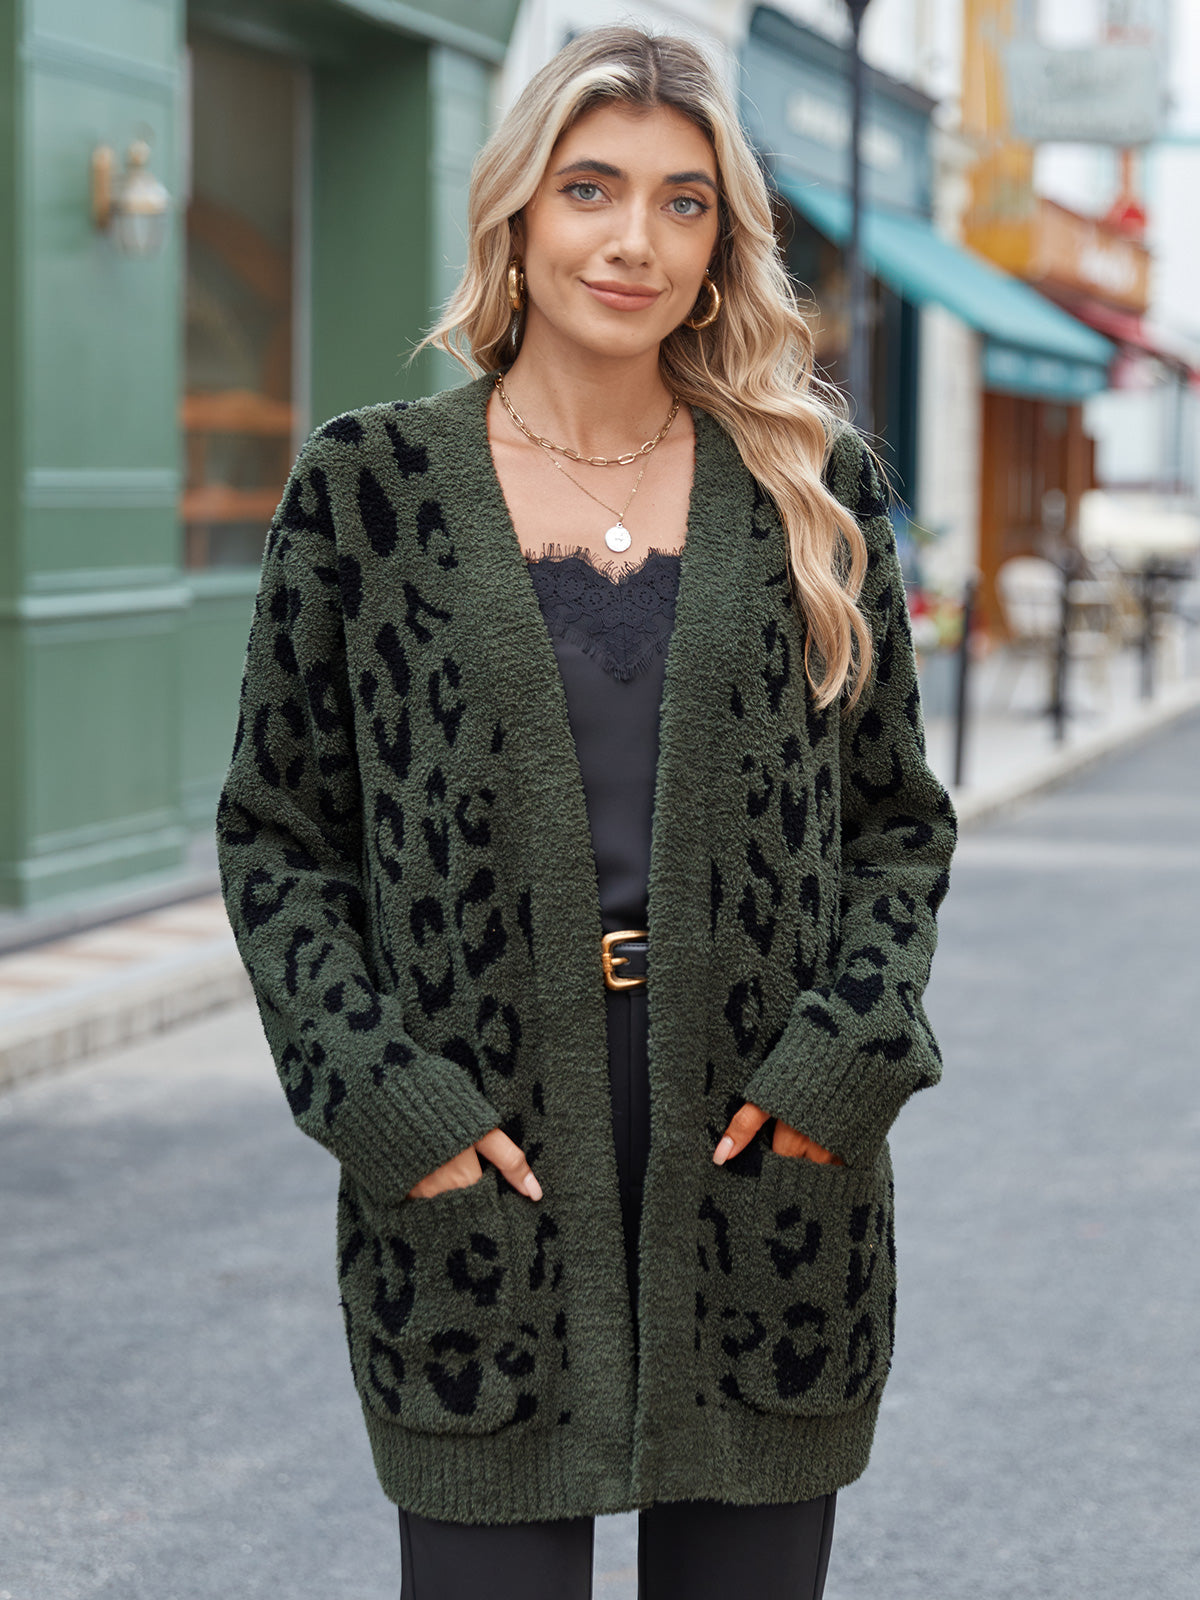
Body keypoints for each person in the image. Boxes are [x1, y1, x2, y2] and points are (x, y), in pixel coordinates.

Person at [215, 24, 957, 1600]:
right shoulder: (369, 495)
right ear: (517, 215)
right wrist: (379, 1104)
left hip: (768, 1160)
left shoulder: (811, 492)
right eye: (591, 189)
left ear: (721, 247)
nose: (634, 239)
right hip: (479, 1167)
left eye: (685, 204)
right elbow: (281, 837)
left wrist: (851, 1060)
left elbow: (897, 824)